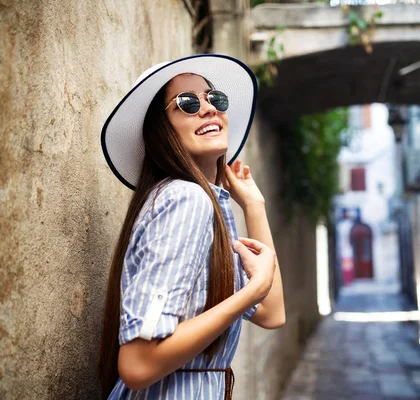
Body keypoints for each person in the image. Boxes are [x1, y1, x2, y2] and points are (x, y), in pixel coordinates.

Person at [97, 54, 285, 400]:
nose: (209, 108)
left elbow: (272, 312)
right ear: (161, 132)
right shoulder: (186, 200)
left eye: (215, 99)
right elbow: (138, 365)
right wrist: (250, 292)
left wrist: (254, 206)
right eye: (186, 103)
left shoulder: (204, 204)